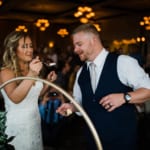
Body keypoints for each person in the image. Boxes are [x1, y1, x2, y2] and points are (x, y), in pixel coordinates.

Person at [56, 23, 150, 150]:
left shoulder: (122, 62)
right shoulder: (81, 73)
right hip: (93, 141)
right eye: (75, 45)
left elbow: (148, 89)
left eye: (79, 44)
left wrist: (124, 97)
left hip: (122, 142)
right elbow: (81, 103)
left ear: (93, 40)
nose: (75, 50)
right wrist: (72, 108)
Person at [0, 30, 57, 150]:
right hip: (17, 125)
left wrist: (47, 83)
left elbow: (34, 95)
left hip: (34, 121)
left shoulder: (30, 68)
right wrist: (32, 73)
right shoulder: (6, 72)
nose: (30, 50)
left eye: (30, 45)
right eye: (24, 46)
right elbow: (15, 98)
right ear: (14, 49)